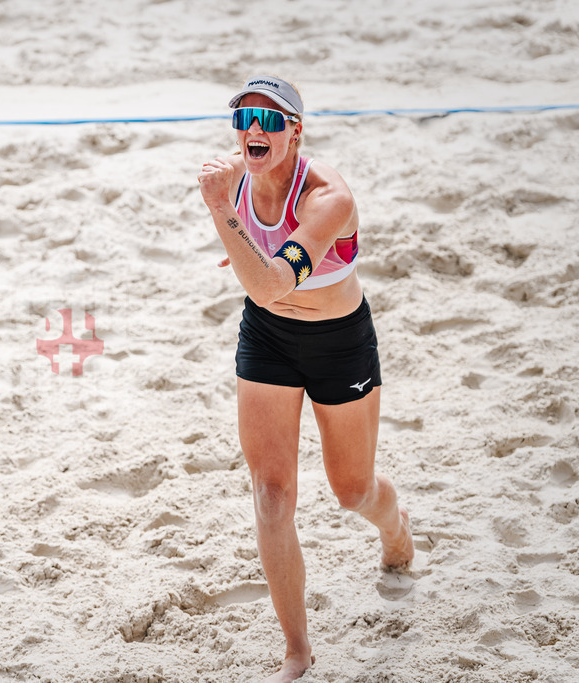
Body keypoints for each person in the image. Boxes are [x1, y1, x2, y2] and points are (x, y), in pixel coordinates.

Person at [197, 76, 414, 682]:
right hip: (267, 337)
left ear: (296, 131)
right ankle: (297, 650)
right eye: (245, 119)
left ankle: (395, 528)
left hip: (338, 341)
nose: (255, 129)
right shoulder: (235, 175)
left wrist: (223, 214)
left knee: (353, 491)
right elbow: (261, 282)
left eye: (271, 120)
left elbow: (271, 282)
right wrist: (241, 235)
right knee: (271, 495)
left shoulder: (328, 198)